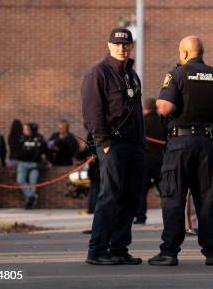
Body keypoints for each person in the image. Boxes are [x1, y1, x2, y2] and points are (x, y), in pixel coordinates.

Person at [149, 35, 213, 267]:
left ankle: (169, 252)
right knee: (207, 199)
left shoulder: (176, 74)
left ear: (185, 53)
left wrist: (159, 105)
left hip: (180, 144)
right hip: (207, 145)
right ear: (202, 52)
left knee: (174, 197)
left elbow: (166, 107)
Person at [81, 27, 145, 266]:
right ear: (109, 46)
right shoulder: (98, 73)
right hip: (113, 145)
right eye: (117, 44)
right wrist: (104, 142)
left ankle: (118, 248)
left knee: (131, 199)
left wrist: (142, 143)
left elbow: (136, 112)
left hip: (134, 146)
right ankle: (97, 250)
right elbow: (92, 112)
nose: (122, 48)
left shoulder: (131, 75)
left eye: (126, 44)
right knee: (109, 196)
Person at [135, 97, 166, 225]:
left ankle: (141, 217)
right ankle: (169, 215)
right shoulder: (162, 121)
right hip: (160, 158)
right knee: (165, 190)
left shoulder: (142, 122)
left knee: (142, 191)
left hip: (145, 159)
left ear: (145, 108)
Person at [17, 122, 48, 209]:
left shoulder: (39, 138)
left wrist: (46, 160)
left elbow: (45, 150)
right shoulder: (21, 138)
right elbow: (17, 150)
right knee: (20, 180)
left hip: (35, 164)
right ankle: (31, 196)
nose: (24, 131)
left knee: (32, 183)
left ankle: (29, 203)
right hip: (23, 163)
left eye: (26, 129)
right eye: (24, 129)